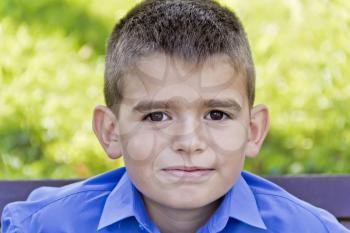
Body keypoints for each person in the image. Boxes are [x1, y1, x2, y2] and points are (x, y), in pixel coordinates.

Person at [1, 0, 349, 232]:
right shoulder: (43, 225)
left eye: (216, 114)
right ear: (111, 131)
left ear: (253, 130)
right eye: (156, 116)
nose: (188, 142)